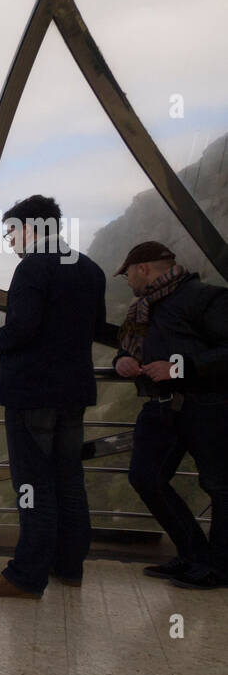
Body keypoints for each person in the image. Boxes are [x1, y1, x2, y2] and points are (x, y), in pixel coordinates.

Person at [0, 195, 107, 598]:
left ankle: (26, 575)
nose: (10, 241)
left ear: (33, 227)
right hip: (73, 392)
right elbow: (95, 326)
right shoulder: (89, 269)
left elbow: (23, 328)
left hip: (32, 394)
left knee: (33, 485)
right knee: (68, 480)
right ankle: (69, 566)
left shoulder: (33, 267)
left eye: (12, 231)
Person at [112, 241, 228, 590]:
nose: (128, 281)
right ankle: (195, 556)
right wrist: (121, 360)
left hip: (207, 404)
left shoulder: (205, 297)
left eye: (128, 273)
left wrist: (178, 367)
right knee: (146, 477)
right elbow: (126, 346)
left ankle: (219, 568)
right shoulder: (144, 309)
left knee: (221, 487)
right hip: (162, 405)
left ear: (143, 268)